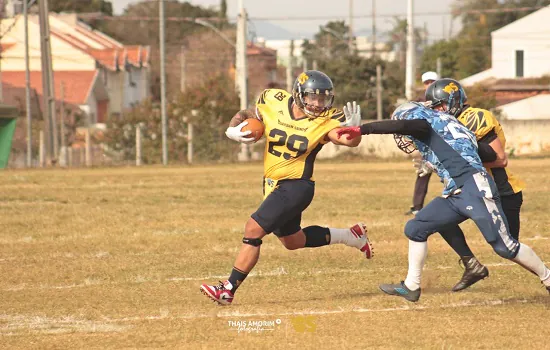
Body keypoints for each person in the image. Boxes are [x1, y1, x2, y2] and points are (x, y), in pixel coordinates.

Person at [336, 102, 550, 302]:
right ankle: (411, 286)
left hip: (473, 188)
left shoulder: (422, 121)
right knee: (416, 227)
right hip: (457, 190)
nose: (404, 136)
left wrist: (362, 129)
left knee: (505, 247)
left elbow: (403, 124)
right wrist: (439, 161)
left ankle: (548, 278)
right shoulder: (452, 124)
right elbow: (485, 152)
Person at [200, 70, 373, 305]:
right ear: (299, 94)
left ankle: (227, 289)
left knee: (253, 229)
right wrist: (233, 129)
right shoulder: (274, 100)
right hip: (273, 183)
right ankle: (351, 236)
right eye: (313, 97)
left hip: (297, 186)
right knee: (293, 241)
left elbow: (345, 139)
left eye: (323, 98)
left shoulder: (326, 120)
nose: (318, 103)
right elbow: (248, 114)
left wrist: (355, 131)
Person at [421, 78, 526, 291]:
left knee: (508, 248)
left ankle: (547, 277)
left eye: (441, 104)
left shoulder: (476, 117)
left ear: (454, 100)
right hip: (469, 189)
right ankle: (471, 264)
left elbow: (500, 159)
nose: (438, 110)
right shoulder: (444, 124)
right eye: (435, 106)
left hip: (500, 191)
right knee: (438, 219)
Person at [405, 71, 439, 216]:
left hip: (444, 141)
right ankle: (417, 207)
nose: (429, 84)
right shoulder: (419, 101)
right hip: (427, 143)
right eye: (427, 82)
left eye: (432, 82)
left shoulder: (444, 98)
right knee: (422, 173)